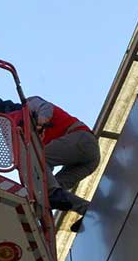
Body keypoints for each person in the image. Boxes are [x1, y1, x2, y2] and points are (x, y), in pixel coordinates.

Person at [24, 96, 99, 230]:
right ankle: (90, 211)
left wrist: (41, 122)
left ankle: (54, 193)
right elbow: (45, 170)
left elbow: (45, 107)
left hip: (81, 139)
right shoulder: (37, 140)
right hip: (90, 159)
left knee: (37, 160)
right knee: (51, 189)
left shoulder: (28, 105)